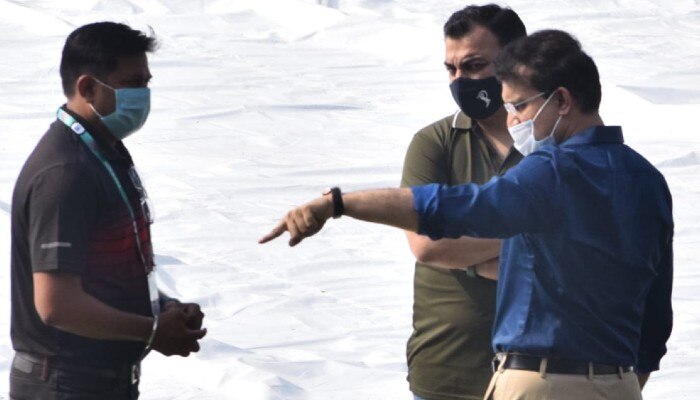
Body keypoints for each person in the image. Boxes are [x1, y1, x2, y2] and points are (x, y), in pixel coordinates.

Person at [261, 29, 673, 400]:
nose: (513, 121)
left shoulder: (551, 171)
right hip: (620, 384)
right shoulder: (647, 180)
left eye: (520, 107)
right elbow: (656, 310)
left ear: (562, 100)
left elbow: (452, 209)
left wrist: (339, 203)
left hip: (542, 383)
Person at [10, 22, 207, 399]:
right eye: (133, 84)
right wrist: (150, 331)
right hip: (65, 384)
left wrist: (164, 309)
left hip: (105, 381)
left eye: (147, 83)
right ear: (88, 88)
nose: (143, 95)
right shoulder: (66, 173)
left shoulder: (105, 154)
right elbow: (57, 304)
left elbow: (103, 270)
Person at [400, 5, 525, 400]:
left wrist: (469, 251)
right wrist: (528, 242)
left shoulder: (553, 144)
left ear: (516, 62)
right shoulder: (434, 144)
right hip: (445, 371)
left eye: (473, 66)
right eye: (451, 69)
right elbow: (427, 245)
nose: (459, 80)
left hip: (541, 372)